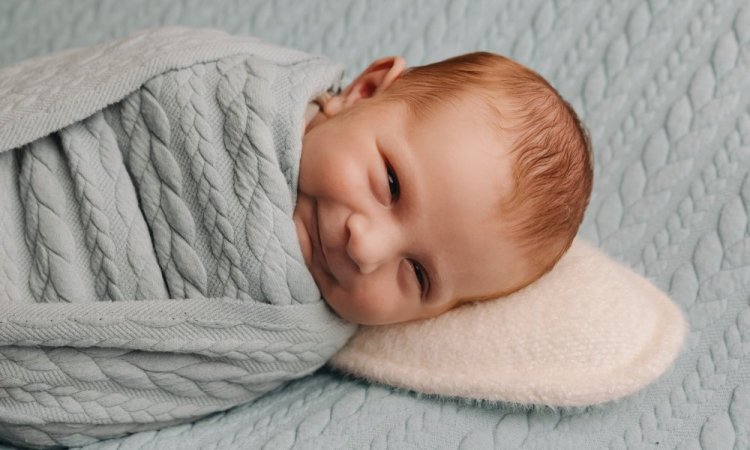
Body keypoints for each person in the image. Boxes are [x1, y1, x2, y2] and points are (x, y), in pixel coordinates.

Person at [293, 52, 593, 326]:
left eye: (418, 274)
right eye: (391, 185)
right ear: (364, 92)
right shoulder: (269, 91)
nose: (365, 249)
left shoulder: (292, 338)